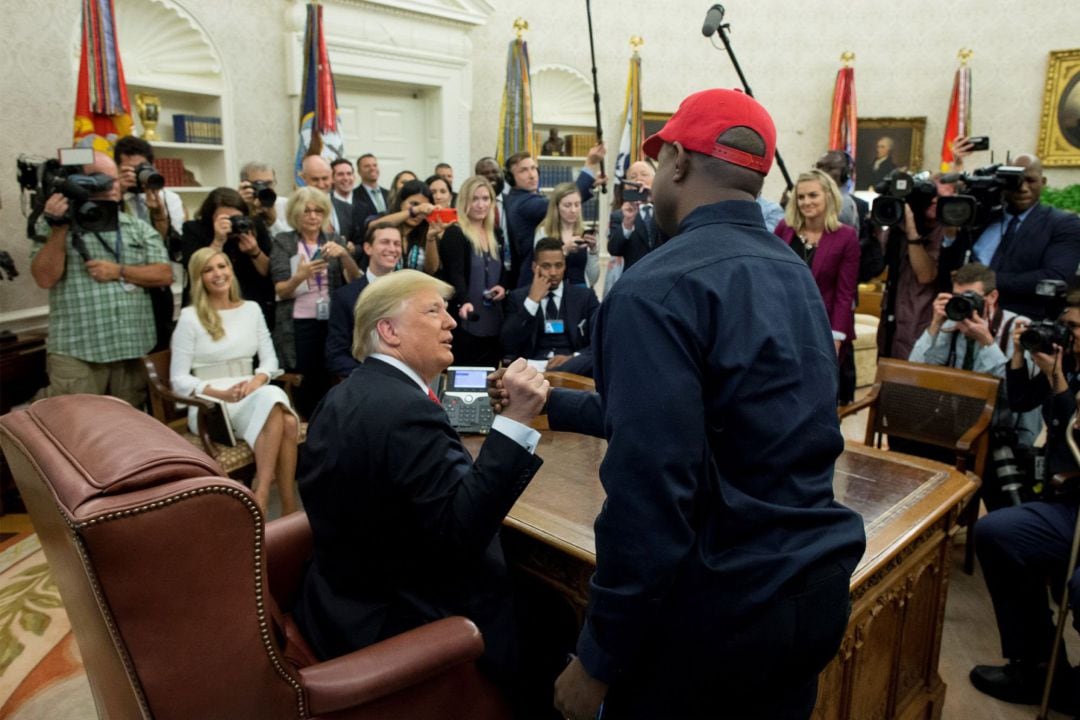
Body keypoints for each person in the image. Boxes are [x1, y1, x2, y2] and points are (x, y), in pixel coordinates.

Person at [519, 88, 866, 719]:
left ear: (676, 161)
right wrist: (553, 406)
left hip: (715, 616)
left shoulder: (653, 288)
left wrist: (598, 658)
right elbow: (716, 422)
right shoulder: (791, 271)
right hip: (809, 592)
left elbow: (650, 491)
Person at [293, 270, 548, 692]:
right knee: (548, 611)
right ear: (388, 331)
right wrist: (517, 421)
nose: (451, 322)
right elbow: (462, 533)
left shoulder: (339, 397)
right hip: (406, 620)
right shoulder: (407, 411)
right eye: (434, 311)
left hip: (335, 607)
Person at [967, 281, 1080, 715]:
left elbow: (1075, 439)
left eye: (1074, 327)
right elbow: (1021, 398)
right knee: (999, 532)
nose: (1066, 334)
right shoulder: (1068, 358)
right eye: (1065, 325)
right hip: (1066, 500)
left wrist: (1060, 383)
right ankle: (1035, 665)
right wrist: (1020, 357)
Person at [30, 150, 173, 407]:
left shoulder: (136, 226)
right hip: (79, 352)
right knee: (75, 430)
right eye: (101, 179)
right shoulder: (52, 225)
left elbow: (164, 273)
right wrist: (59, 228)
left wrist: (119, 270)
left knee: (126, 430)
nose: (112, 187)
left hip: (130, 348)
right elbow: (44, 278)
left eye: (115, 179)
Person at [170, 248, 300, 516]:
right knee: (277, 406)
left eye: (222, 266)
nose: (218, 274)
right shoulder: (190, 317)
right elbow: (178, 379)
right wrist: (219, 392)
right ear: (199, 278)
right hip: (210, 404)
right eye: (209, 270)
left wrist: (257, 381)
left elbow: (269, 362)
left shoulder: (251, 309)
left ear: (231, 270)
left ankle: (277, 502)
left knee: (283, 416)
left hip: (252, 393)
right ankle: (267, 496)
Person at [906, 263, 1042, 496]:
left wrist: (987, 344)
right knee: (907, 443)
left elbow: (1017, 397)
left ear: (992, 297)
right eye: (957, 297)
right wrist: (935, 325)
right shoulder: (951, 324)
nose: (964, 304)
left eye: (972, 297)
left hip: (1002, 433)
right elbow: (915, 374)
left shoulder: (1018, 328)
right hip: (953, 427)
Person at [270, 186, 360, 417]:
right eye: (306, 211)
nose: (312, 216)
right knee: (306, 380)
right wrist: (301, 275)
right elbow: (280, 289)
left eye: (318, 211)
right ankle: (307, 427)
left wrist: (345, 255)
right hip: (298, 325)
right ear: (295, 214)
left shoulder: (334, 239)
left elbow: (355, 280)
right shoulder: (284, 242)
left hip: (332, 322)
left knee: (331, 377)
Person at [774, 168, 861, 404]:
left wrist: (835, 339)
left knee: (817, 399)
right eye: (801, 197)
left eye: (813, 195)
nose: (806, 202)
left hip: (823, 330)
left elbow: (845, 293)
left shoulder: (846, 237)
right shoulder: (784, 229)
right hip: (784, 327)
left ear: (828, 196)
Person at [967, 153, 1080, 320]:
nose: (1022, 187)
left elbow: (1055, 277)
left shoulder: (1063, 224)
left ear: (1043, 182)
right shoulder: (981, 219)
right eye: (1015, 181)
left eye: (1030, 180)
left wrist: (986, 280)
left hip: (1022, 326)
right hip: (968, 317)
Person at [504, 144, 606, 289]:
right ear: (510, 178)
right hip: (539, 284)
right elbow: (559, 201)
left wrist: (590, 185)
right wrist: (590, 164)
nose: (532, 175)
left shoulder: (520, 198)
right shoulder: (523, 204)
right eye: (523, 170)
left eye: (533, 168)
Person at [876, 179, 953, 360]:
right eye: (929, 199)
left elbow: (927, 275)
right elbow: (876, 265)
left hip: (923, 320)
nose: (935, 202)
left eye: (939, 198)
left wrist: (912, 234)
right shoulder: (897, 230)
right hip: (893, 322)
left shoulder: (944, 230)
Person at [178, 187, 274, 331]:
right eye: (225, 219)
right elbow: (195, 270)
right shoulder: (193, 229)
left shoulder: (254, 226)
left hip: (248, 302)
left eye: (236, 217)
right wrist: (218, 242)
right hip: (208, 307)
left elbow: (269, 272)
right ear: (211, 216)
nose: (231, 224)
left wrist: (255, 251)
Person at [500, 237, 598, 375]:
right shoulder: (518, 297)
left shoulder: (585, 297)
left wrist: (573, 358)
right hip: (532, 368)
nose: (553, 273)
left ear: (565, 265)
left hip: (574, 367)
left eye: (558, 265)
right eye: (546, 266)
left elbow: (600, 338)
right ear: (535, 267)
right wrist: (532, 301)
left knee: (593, 359)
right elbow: (508, 343)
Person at [439, 175, 507, 368]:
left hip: (493, 317)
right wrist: (463, 301)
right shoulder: (455, 233)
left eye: (485, 199)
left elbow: (505, 268)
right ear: (464, 202)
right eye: (475, 199)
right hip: (466, 316)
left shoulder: (496, 233)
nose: (480, 205)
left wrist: (503, 286)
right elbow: (455, 273)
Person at [324, 222, 403, 379]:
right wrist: (370, 377)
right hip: (363, 381)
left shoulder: (412, 293)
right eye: (385, 242)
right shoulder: (345, 297)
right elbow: (336, 353)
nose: (392, 249)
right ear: (368, 248)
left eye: (397, 244)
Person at [537, 182, 599, 287]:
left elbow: (593, 279)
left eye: (577, 204)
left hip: (581, 292)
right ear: (556, 207)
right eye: (567, 205)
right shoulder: (544, 232)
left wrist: (593, 251)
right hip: (554, 291)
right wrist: (564, 251)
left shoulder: (586, 233)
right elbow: (539, 271)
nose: (573, 210)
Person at [300, 154, 357, 245]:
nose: (321, 184)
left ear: (332, 177)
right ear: (304, 179)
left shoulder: (347, 208)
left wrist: (352, 249)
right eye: (315, 179)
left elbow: (359, 244)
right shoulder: (296, 208)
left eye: (325, 178)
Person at [352, 153, 390, 229]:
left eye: (375, 165)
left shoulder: (389, 194)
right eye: (367, 166)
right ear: (359, 171)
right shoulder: (353, 195)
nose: (372, 168)